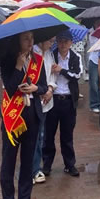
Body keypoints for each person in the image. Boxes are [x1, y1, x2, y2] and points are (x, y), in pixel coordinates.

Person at [0, 31, 47, 199]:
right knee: (9, 162)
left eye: (32, 38)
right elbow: (10, 88)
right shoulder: (7, 60)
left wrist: (36, 89)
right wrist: (19, 66)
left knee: (28, 162)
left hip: (32, 117)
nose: (30, 42)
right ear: (18, 40)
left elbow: (44, 86)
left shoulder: (38, 61)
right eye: (26, 38)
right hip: (13, 117)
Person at [42, 30, 82, 177]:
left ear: (71, 43)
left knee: (67, 135)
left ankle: (70, 164)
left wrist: (62, 70)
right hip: (53, 98)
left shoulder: (76, 57)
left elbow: (77, 74)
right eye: (60, 41)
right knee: (48, 134)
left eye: (66, 41)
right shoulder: (51, 55)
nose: (63, 44)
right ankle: (47, 164)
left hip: (68, 100)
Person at [31, 37, 56, 184]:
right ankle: (33, 169)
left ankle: (36, 167)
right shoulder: (32, 54)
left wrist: (50, 89)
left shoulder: (49, 54)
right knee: (34, 136)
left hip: (47, 99)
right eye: (50, 41)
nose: (52, 44)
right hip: (34, 99)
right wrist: (41, 91)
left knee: (41, 135)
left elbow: (52, 74)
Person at [87, 19, 100, 113]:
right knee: (93, 83)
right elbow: (93, 45)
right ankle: (94, 104)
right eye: (97, 22)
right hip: (93, 60)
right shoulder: (91, 32)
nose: (98, 24)